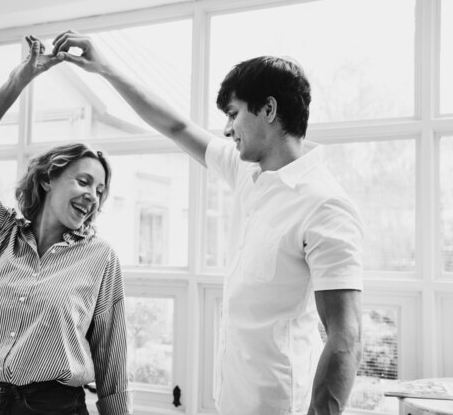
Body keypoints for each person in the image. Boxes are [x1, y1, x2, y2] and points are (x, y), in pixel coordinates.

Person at [51, 30, 364, 415]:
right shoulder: (247, 172)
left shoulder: (324, 204)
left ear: (268, 109)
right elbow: (176, 127)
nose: (227, 128)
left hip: (282, 405)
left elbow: (345, 335)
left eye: (233, 114)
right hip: (232, 400)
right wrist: (106, 69)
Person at [0, 35, 131, 415]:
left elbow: (112, 368)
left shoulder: (100, 259)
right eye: (83, 182)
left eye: (100, 190)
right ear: (48, 178)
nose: (92, 197)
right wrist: (19, 81)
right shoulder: (0, 234)